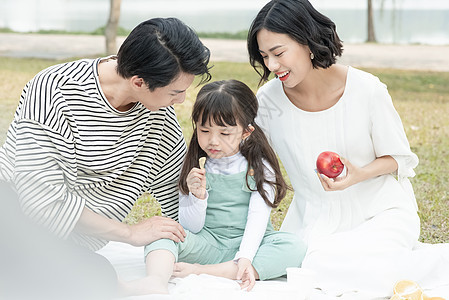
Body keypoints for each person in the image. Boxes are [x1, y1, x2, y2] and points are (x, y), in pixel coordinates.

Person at [247, 0, 449, 298]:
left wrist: (359, 173)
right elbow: (253, 161)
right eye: (264, 56)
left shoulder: (366, 89)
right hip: (313, 221)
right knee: (318, 265)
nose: (272, 66)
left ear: (307, 41)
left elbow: (400, 159)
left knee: (341, 267)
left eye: (278, 53)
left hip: (380, 213)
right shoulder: (267, 102)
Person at [0, 17, 211, 298]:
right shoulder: (55, 90)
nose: (182, 100)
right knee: (89, 274)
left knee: (91, 272)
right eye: (176, 92)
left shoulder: (159, 117)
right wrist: (129, 233)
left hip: (72, 246)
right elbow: (41, 200)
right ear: (138, 82)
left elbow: (176, 193)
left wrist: (206, 223)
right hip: (17, 213)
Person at [143, 79, 307, 293]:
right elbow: (191, 227)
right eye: (204, 130)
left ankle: (207, 271)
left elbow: (258, 218)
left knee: (294, 247)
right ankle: (155, 280)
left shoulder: (258, 166)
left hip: (251, 245)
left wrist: (245, 256)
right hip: (208, 242)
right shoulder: (195, 166)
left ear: (246, 132)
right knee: (162, 235)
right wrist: (197, 197)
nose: (213, 141)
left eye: (224, 133)